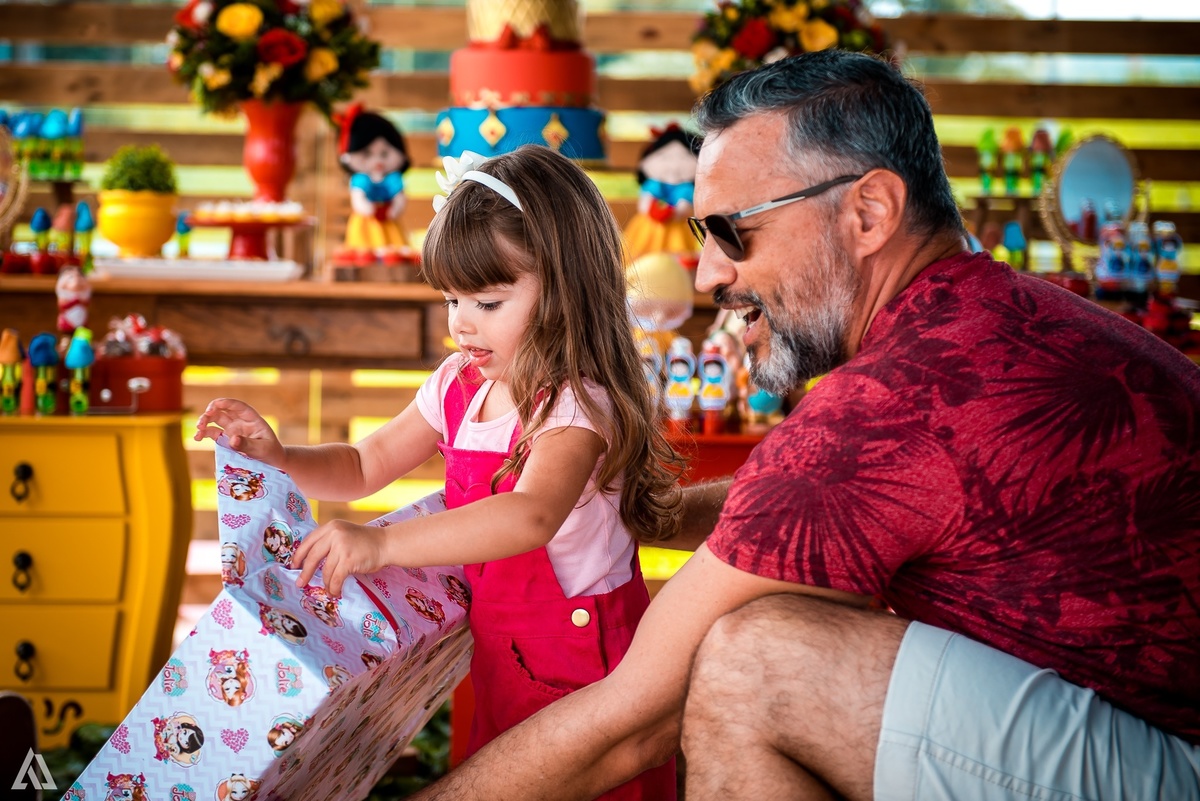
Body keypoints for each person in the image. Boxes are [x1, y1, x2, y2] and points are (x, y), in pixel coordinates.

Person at [405, 50, 1200, 801]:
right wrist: (641, 511)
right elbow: (796, 508)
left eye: (731, 232)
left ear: (869, 212)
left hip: (1171, 756)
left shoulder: (894, 400)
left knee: (756, 658)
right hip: (1147, 727)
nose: (710, 272)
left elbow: (629, 722)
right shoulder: (980, 319)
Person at [194, 144, 685, 800]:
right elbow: (364, 463)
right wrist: (280, 457)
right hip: (497, 655)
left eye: (487, 300)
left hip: (583, 666)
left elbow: (531, 513)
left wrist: (381, 543)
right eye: (453, 297)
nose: (461, 322)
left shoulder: (575, 401)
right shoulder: (457, 383)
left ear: (565, 291)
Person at [334, 104, 414, 266]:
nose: (377, 161)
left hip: (388, 219)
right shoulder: (361, 180)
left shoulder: (393, 180)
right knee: (362, 250)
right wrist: (366, 207)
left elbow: (399, 199)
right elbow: (358, 199)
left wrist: (393, 210)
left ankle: (392, 258)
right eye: (367, 154)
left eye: (384, 154)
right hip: (365, 220)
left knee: (393, 249)